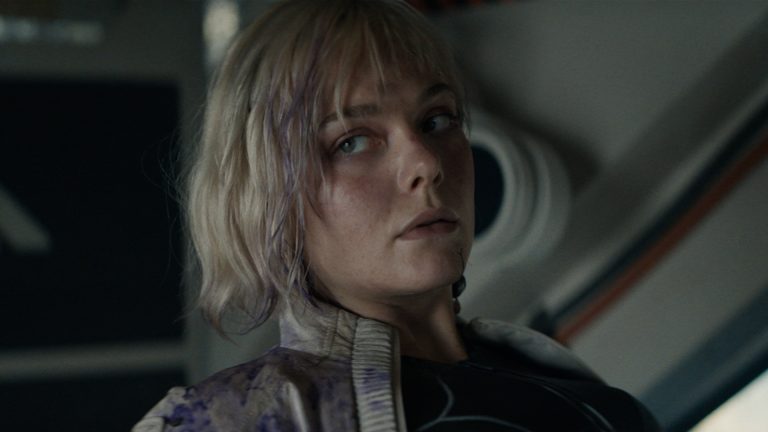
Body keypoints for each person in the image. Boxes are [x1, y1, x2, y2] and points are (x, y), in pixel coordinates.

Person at [134, 0, 660, 430]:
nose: (427, 164)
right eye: (352, 141)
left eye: (436, 120)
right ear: (269, 197)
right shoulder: (229, 421)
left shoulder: (571, 385)